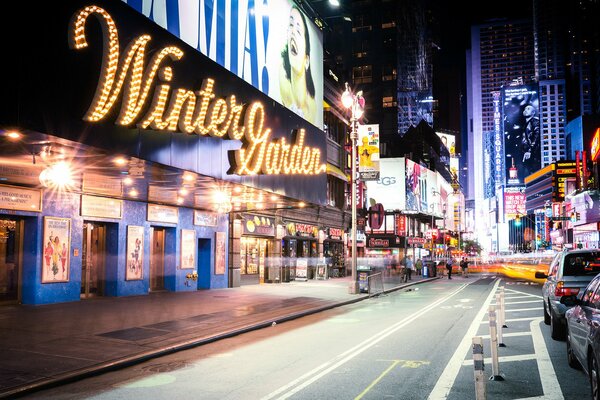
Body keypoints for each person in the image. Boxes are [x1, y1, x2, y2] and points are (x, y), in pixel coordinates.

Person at [279, 5, 316, 125]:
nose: (293, 32)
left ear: (307, 60)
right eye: (291, 25)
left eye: (299, 30)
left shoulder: (312, 109)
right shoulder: (281, 81)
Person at [521, 104, 540, 176]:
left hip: (532, 154)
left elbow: (536, 135)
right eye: (525, 109)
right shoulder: (526, 124)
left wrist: (530, 150)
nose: (525, 110)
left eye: (528, 109)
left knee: (533, 174)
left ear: (533, 113)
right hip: (527, 154)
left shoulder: (535, 121)